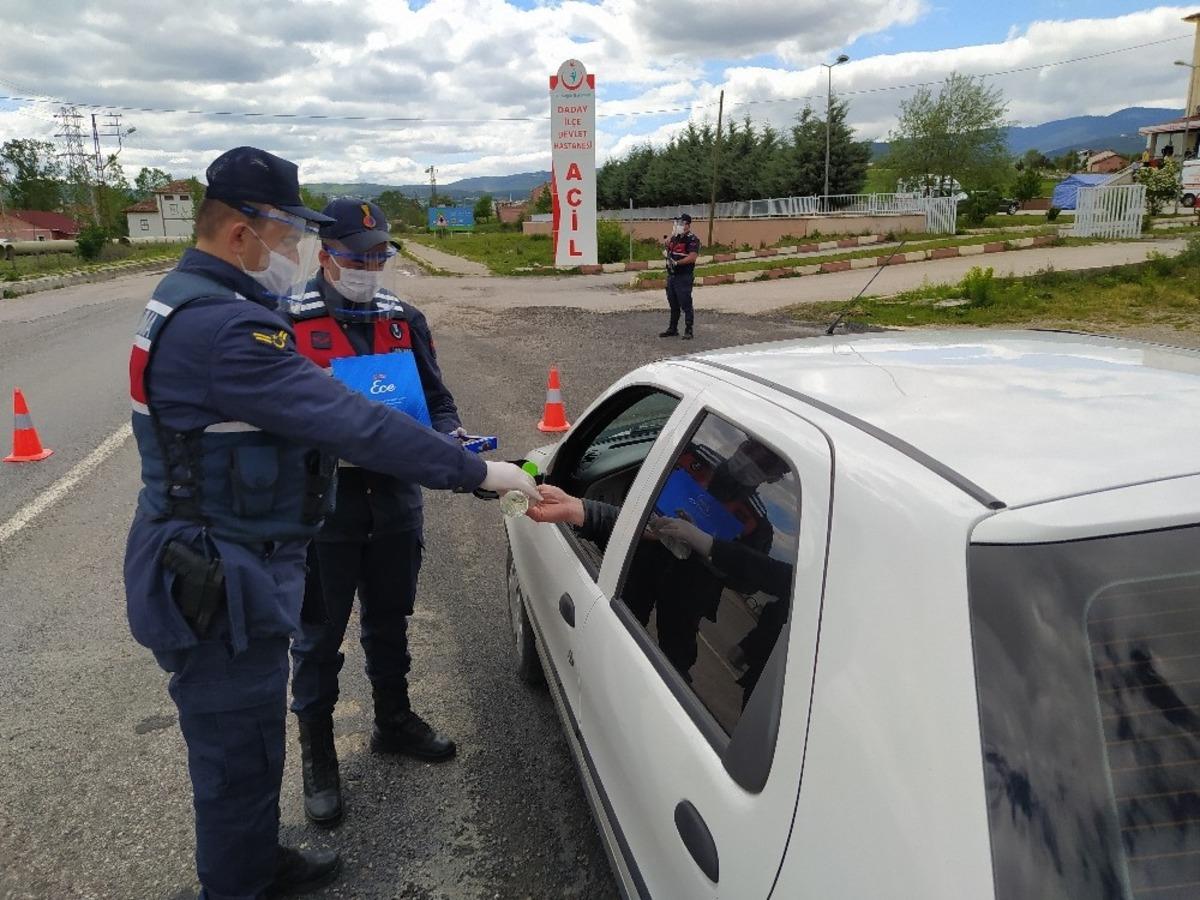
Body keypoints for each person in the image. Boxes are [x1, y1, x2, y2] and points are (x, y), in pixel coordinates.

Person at [123, 147, 538, 900]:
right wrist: (480, 473)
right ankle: (240, 881)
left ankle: (256, 855)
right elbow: (355, 421)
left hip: (233, 549)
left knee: (255, 738)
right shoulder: (231, 328)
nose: (296, 253)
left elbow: (415, 404)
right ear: (244, 233)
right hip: (220, 570)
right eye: (289, 236)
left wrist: (447, 440)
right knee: (237, 756)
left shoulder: (189, 297)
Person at [286, 198, 465, 828]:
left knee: (390, 620)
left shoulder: (404, 319)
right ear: (325, 253)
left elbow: (440, 404)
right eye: (357, 254)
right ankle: (319, 758)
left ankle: (393, 719)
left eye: (378, 254)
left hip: (393, 503)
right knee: (318, 640)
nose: (369, 265)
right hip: (322, 512)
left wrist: (449, 437)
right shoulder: (285, 321)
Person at [659, 213, 701, 340]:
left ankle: (689, 329)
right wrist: (667, 247)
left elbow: (692, 257)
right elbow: (669, 250)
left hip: (684, 275)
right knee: (673, 303)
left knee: (685, 303)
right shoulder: (675, 238)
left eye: (681, 224)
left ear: (687, 225)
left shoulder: (692, 239)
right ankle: (673, 328)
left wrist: (677, 263)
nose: (679, 226)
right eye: (677, 224)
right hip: (672, 275)